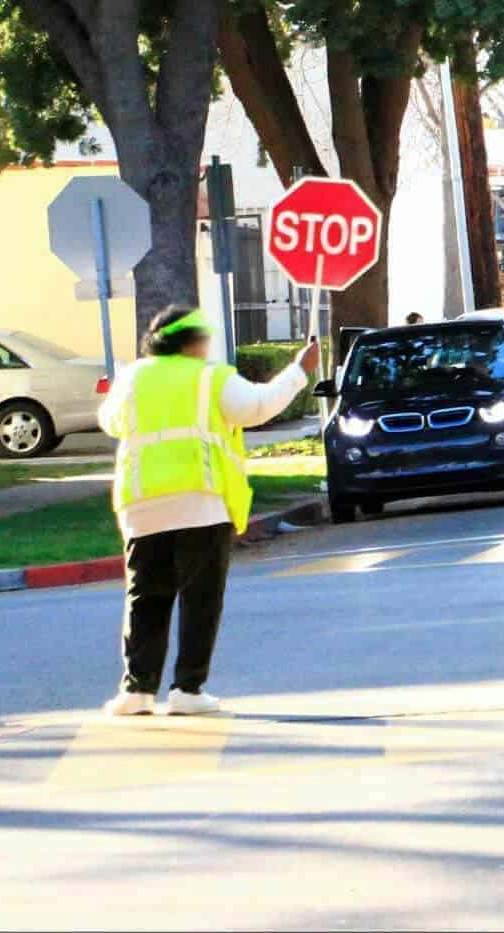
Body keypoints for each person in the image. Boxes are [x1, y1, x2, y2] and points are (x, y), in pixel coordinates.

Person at [96, 306, 318, 717]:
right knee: (200, 598)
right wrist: (298, 371)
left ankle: (137, 690)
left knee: (145, 596)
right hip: (201, 502)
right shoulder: (211, 377)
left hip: (142, 502)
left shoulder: (132, 378)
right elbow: (258, 406)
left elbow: (110, 421)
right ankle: (188, 689)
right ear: (192, 342)